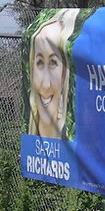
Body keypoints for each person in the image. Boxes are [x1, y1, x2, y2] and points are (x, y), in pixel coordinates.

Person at [27, 9, 79, 138]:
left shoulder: (73, 136)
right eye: (39, 62)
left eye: (53, 63)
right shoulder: (29, 136)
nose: (45, 84)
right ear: (32, 68)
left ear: (63, 74)